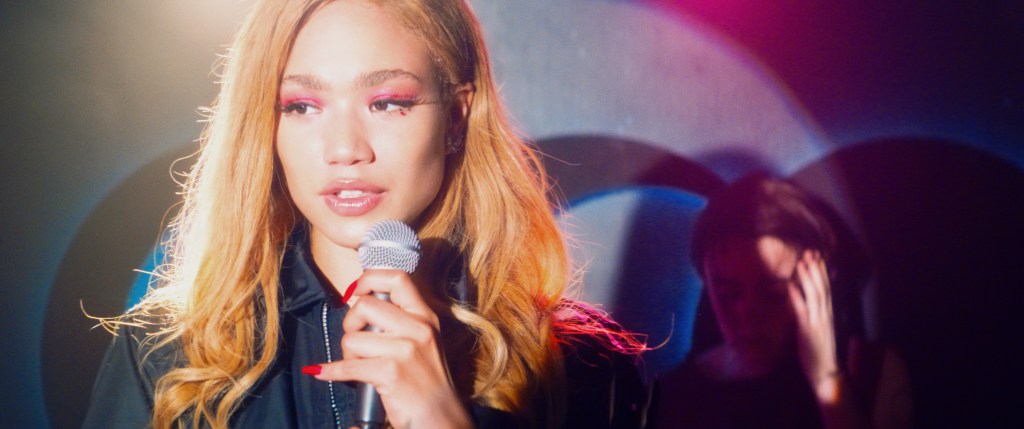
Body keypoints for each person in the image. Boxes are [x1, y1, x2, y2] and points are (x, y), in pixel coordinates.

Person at [82, 1, 646, 428]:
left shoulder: (583, 370)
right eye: (302, 106)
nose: (345, 148)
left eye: (387, 103)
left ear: (455, 117)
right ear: (266, 125)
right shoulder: (165, 354)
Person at [651, 175, 912, 429]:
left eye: (774, 294)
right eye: (728, 293)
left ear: (817, 280)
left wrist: (828, 382)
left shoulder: (872, 372)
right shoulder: (676, 396)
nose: (747, 315)